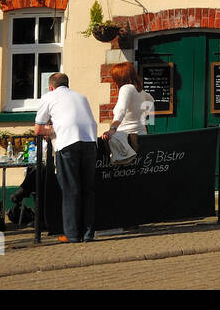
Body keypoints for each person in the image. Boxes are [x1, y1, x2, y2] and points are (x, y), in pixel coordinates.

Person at [35, 72, 99, 243]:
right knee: (88, 189)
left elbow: (38, 130)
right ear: (67, 84)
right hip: (90, 141)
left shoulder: (49, 97)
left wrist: (54, 130)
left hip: (68, 142)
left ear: (51, 87)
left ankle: (71, 234)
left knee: (71, 189)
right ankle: (88, 233)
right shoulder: (81, 96)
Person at [102, 63, 153, 162]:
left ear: (120, 77)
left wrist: (112, 129)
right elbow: (151, 100)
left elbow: (121, 110)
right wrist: (141, 116)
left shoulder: (125, 88)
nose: (113, 80)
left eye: (114, 77)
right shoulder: (141, 92)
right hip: (141, 135)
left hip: (126, 140)